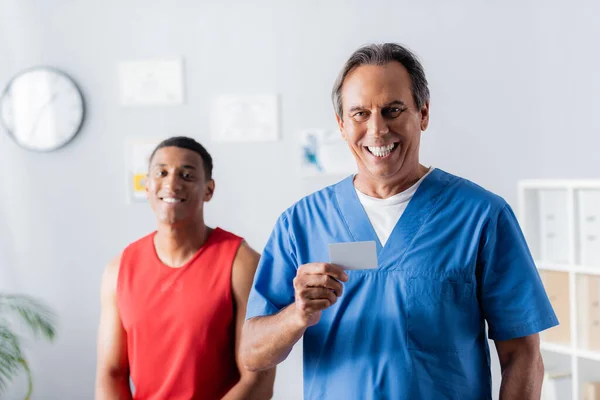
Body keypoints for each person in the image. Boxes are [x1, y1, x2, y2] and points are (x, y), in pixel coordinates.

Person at [241, 43, 558, 399]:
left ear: (422, 114)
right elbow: (253, 354)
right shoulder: (301, 223)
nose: (377, 130)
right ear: (342, 125)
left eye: (392, 110)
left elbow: (523, 355)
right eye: (360, 114)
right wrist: (297, 314)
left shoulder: (481, 216)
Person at [95, 136, 275, 400]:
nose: (172, 183)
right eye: (162, 172)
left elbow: (258, 379)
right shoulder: (119, 270)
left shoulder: (242, 263)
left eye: (187, 175)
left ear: (208, 190)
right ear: (147, 186)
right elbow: (110, 374)